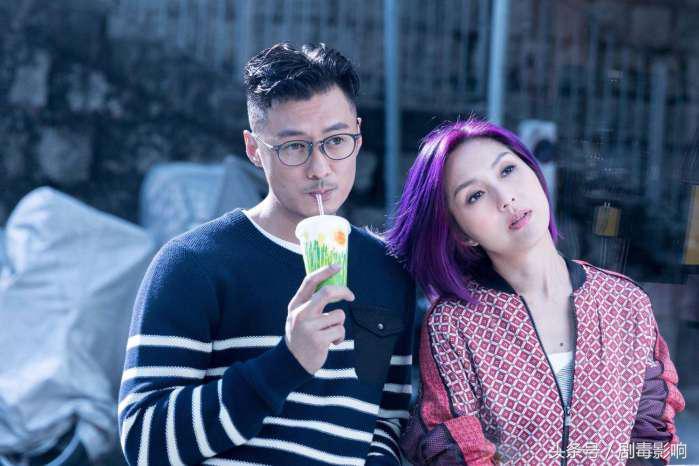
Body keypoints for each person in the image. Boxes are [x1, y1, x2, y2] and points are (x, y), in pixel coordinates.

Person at [118, 42, 415, 466]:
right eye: (294, 147)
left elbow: (386, 421)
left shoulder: (389, 272)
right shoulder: (193, 263)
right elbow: (143, 441)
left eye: (336, 141)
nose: (320, 168)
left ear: (358, 135)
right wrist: (286, 363)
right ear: (254, 149)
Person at [385, 119, 685, 465]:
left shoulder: (625, 302)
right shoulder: (453, 325)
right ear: (461, 232)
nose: (505, 198)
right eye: (475, 195)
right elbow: (458, 449)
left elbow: (651, 430)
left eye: (507, 170)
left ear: (535, 173)